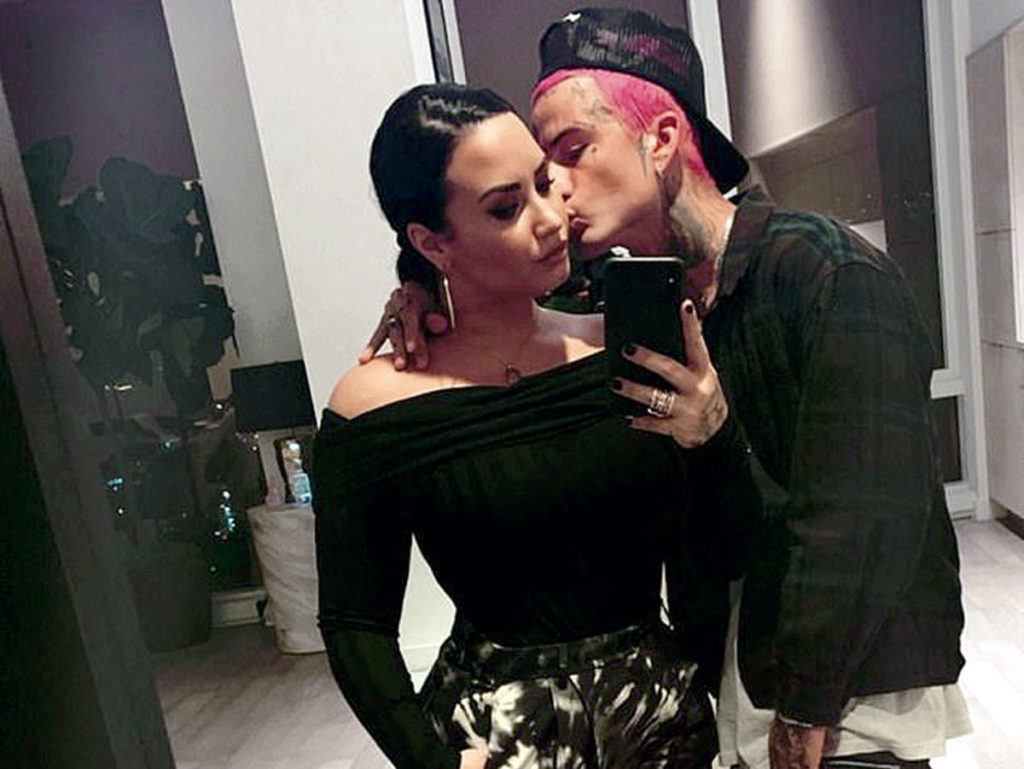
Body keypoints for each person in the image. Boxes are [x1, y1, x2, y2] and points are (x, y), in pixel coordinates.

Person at [362, 9, 970, 769]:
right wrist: (424, 287)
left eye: (572, 154)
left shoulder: (824, 271)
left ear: (660, 138)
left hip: (850, 696)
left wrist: (804, 709)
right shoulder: (626, 307)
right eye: (541, 177)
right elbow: (485, 277)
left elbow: (865, 522)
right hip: (719, 685)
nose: (556, 194)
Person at [314, 82, 757, 769]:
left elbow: (728, 539)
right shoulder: (373, 407)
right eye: (506, 207)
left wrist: (716, 433)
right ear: (431, 242)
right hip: (499, 739)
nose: (551, 219)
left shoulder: (623, 348)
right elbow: (354, 623)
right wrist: (428, 762)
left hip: (663, 723)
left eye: (545, 183)